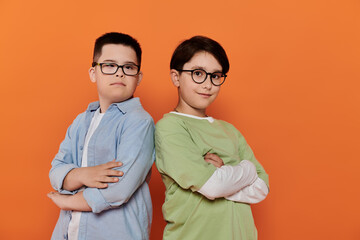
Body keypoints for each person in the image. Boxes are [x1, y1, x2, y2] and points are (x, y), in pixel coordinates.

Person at [155, 36, 269, 240]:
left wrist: (224, 172)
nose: (207, 84)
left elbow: (261, 188)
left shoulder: (230, 131)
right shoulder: (170, 127)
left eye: (215, 76)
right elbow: (212, 185)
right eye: (198, 73)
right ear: (176, 77)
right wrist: (246, 171)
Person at [48, 32, 155, 240]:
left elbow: (118, 189)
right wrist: (83, 174)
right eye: (109, 65)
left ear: (138, 77)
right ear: (93, 73)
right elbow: (55, 172)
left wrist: (67, 201)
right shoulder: (81, 121)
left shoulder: (139, 121)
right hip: (68, 231)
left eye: (129, 67)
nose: (119, 74)